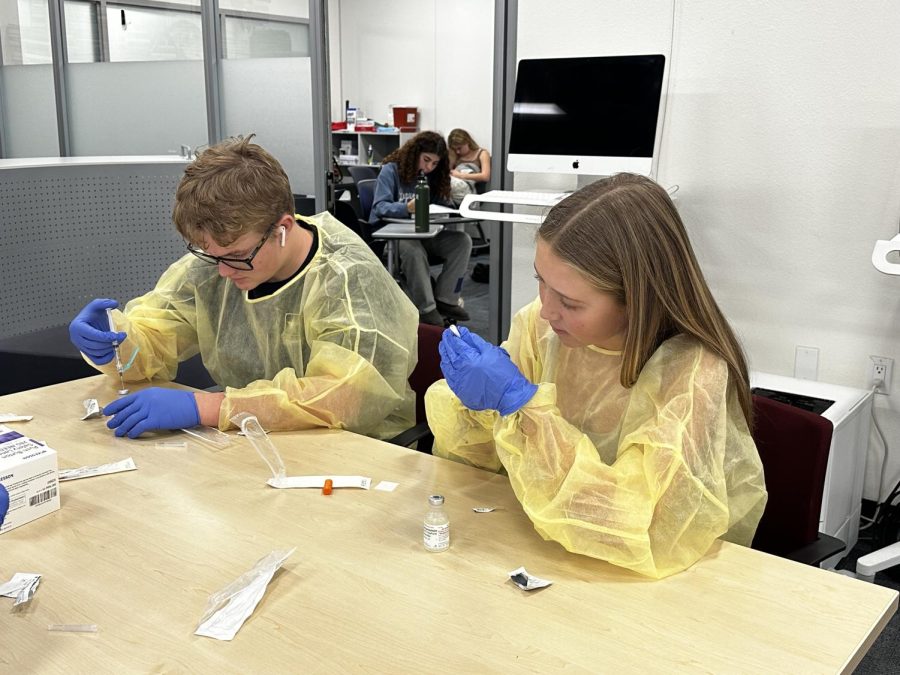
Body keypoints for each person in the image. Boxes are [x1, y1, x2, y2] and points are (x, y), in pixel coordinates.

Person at [425, 173, 767, 579]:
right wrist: (472, 407)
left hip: (632, 580)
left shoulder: (692, 372)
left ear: (638, 299)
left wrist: (526, 408)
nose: (547, 310)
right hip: (537, 546)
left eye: (570, 301)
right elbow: (478, 461)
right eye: (540, 281)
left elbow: (638, 527)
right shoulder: (541, 326)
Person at [69, 135, 419, 441]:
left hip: (355, 452)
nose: (222, 271)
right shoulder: (219, 261)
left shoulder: (346, 277)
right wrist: (117, 341)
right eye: (210, 255)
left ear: (282, 228)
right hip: (250, 437)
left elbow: (346, 396)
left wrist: (209, 406)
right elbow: (156, 335)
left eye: (236, 256)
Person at [370, 131, 472, 327]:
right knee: (413, 250)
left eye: (434, 164)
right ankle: (427, 309)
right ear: (414, 153)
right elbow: (379, 207)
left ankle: (446, 300)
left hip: (424, 233)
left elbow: (438, 206)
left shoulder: (430, 177)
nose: (428, 167)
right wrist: (406, 208)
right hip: (395, 238)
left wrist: (446, 205)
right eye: (426, 160)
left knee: (462, 241)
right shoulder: (390, 171)